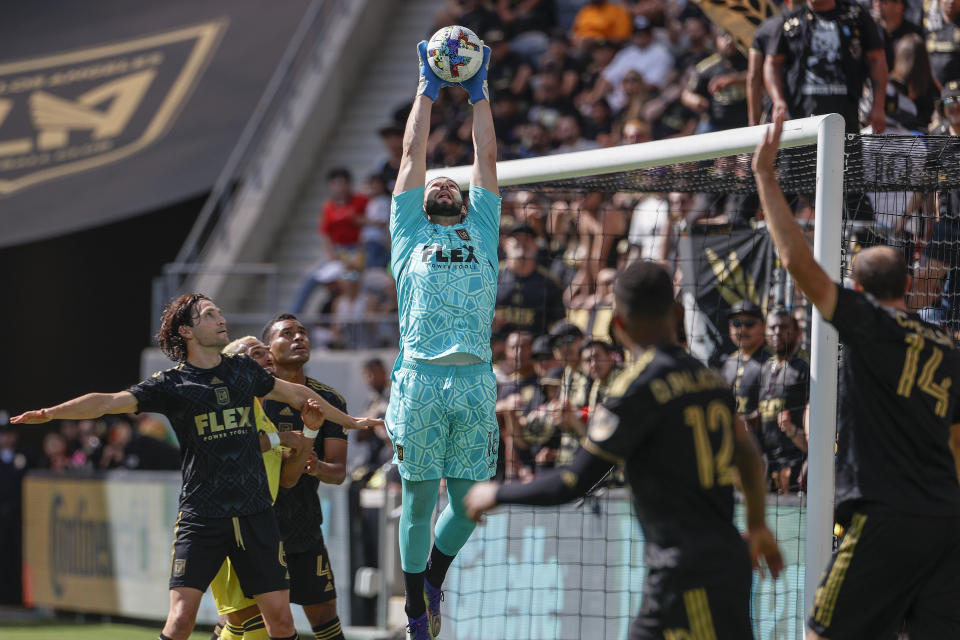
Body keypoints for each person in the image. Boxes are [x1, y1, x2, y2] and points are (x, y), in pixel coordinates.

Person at [10, 294, 382, 640]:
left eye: (219, 312)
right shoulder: (173, 383)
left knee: (281, 621)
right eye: (209, 315)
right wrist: (51, 413)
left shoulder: (243, 372)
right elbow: (107, 402)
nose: (221, 319)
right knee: (182, 617)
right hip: (202, 516)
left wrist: (350, 421)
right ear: (186, 331)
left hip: (255, 516)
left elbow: (299, 395)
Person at [464, 260, 783, 640]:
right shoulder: (709, 377)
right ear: (676, 312)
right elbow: (748, 454)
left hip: (688, 572)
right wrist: (758, 524)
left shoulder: (635, 388)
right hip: (706, 563)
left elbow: (574, 480)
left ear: (617, 324)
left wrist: (497, 491)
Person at [753, 115, 960, 639]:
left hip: (886, 516)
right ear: (910, 282)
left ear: (860, 291)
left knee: (821, 633)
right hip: (946, 519)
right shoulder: (949, 348)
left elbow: (794, 259)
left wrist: (765, 178)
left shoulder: (868, 324)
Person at [387, 38, 499, 640]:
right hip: (422, 378)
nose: (445, 183)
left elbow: (485, 154)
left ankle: (434, 578)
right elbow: (411, 153)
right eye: (437, 182)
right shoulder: (408, 231)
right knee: (418, 501)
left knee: (471, 504)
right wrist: (427, 90)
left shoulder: (484, 224)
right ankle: (414, 613)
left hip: (476, 380)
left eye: (453, 182)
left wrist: (479, 92)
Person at [210, 336, 317, 640]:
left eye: (267, 353)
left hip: (255, 521)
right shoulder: (232, 400)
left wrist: (309, 431)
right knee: (257, 618)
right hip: (231, 521)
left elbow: (286, 478)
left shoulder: (258, 407)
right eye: (256, 354)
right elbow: (232, 443)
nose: (269, 358)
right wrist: (281, 440)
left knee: (248, 620)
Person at [262, 313, 349, 640]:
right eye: (287, 333)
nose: (299, 337)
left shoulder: (330, 401)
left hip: (304, 525)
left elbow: (339, 472)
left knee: (326, 619)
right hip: (259, 526)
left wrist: (316, 467)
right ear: (268, 350)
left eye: (303, 332)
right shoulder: (255, 397)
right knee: (249, 618)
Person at [764, 0, 888, 134]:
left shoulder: (855, 17)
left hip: (846, 120)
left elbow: (877, 59)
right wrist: (778, 101)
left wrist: (878, 107)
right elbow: (772, 63)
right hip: (799, 123)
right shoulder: (791, 21)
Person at [758, 308, 809, 493]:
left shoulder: (804, 369)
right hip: (768, 464)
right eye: (772, 327)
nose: (777, 332)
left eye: (783, 327)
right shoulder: (765, 369)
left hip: (795, 462)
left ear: (796, 331)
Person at [681, 29, 749, 133]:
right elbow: (687, 94)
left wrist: (734, 80)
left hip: (748, 122)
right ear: (716, 39)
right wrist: (695, 100)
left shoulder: (750, 61)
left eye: (732, 36)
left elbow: (760, 75)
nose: (729, 41)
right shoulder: (707, 67)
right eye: (723, 36)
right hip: (716, 124)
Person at [720, 301, 769, 431]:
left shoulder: (772, 364)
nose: (742, 329)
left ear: (763, 326)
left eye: (749, 323)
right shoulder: (729, 363)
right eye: (736, 324)